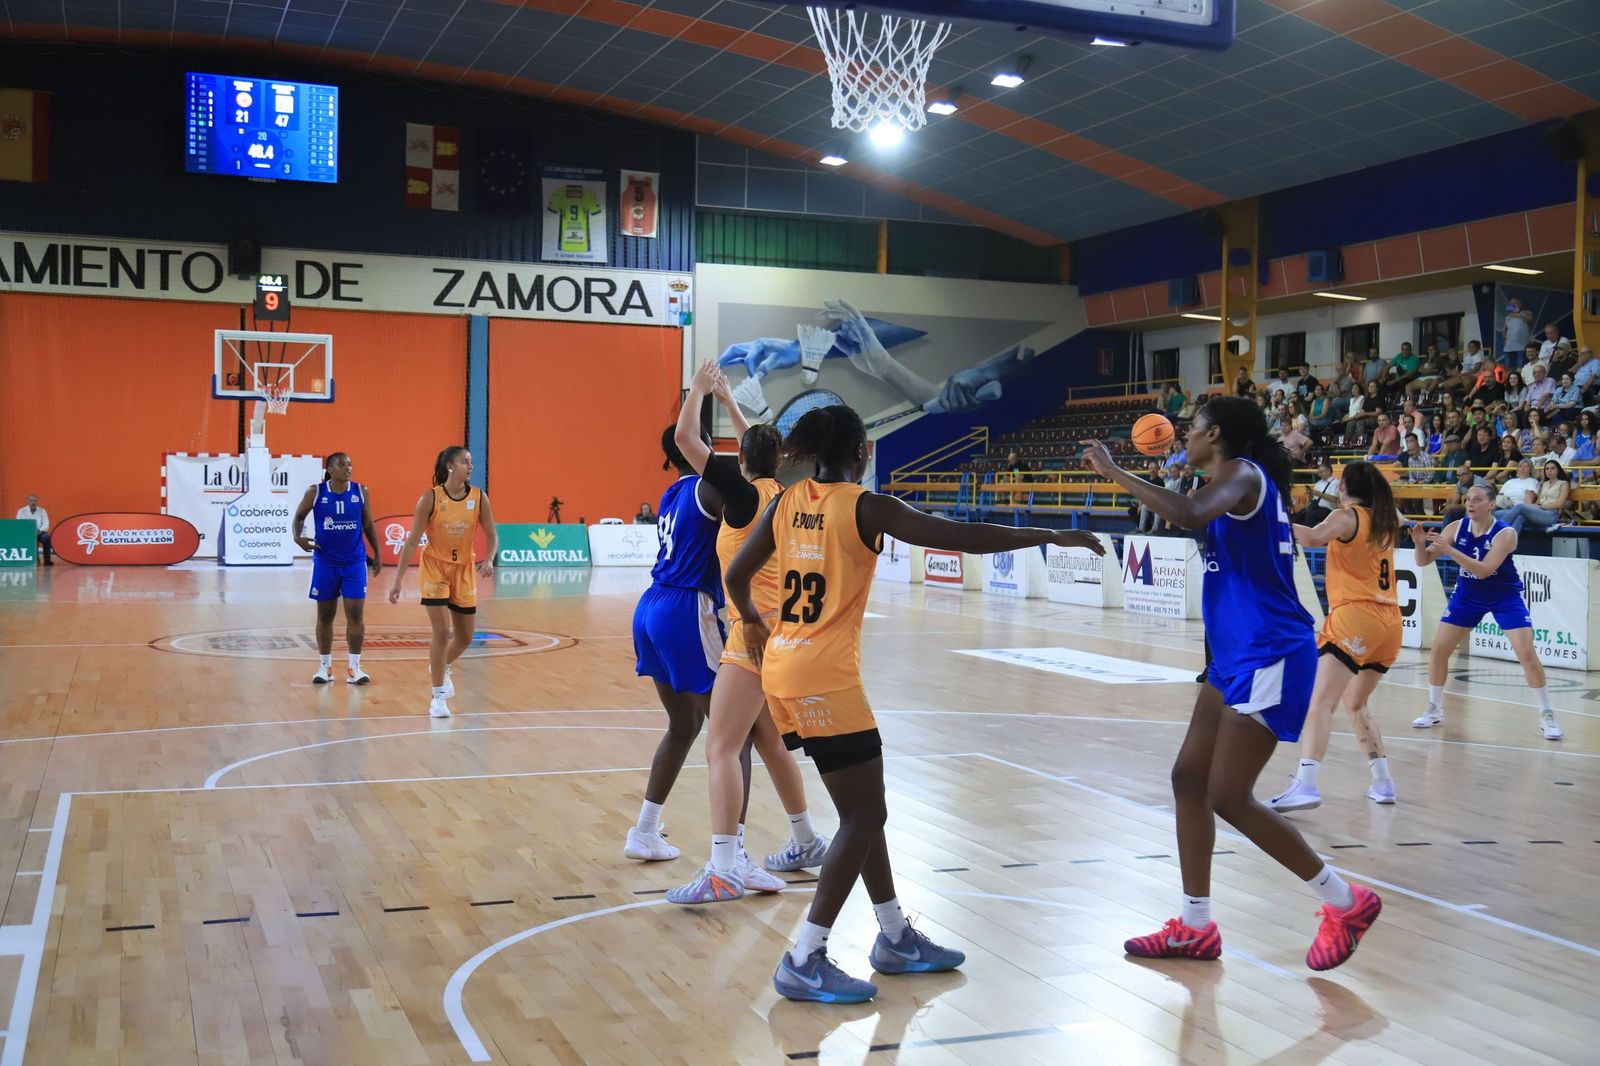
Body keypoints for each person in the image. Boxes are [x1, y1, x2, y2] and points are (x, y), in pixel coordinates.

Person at [727, 403, 1106, 1003]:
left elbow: (736, 576)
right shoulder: (867, 507)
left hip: (782, 669)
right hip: (826, 677)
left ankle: (896, 937)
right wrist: (1049, 534)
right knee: (863, 816)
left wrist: (751, 620)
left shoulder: (787, 500)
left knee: (863, 810)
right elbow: (964, 536)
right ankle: (804, 957)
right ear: (862, 452)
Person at [1081, 396, 1382, 972]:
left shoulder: (1242, 474)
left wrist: (1117, 473)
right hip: (1235, 655)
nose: (1185, 439)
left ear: (1215, 434)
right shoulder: (1234, 480)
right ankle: (1196, 927)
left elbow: (1189, 513)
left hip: (1270, 652)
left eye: (1192, 430)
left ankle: (1347, 902)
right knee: (1188, 779)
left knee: (1227, 795)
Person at [666, 363, 828, 903]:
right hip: (791, 634)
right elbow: (759, 449)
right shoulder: (783, 493)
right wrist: (731, 401)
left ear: (739, 460)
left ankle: (722, 870)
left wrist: (698, 391)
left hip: (753, 631)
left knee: (721, 747)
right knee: (771, 743)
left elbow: (685, 438)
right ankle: (805, 839)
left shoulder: (739, 495)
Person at [621, 412, 732, 862]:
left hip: (651, 604)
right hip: (686, 607)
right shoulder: (709, 489)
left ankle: (644, 831)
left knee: (684, 725)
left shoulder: (671, 493)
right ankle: (733, 853)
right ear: (702, 445)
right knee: (732, 733)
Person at [1270, 462, 1402, 810]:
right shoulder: (1387, 518)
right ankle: (1383, 782)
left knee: (1320, 701)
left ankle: (1306, 784)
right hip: (1390, 623)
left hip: (1356, 616)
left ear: (1343, 488)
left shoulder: (1347, 517)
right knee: (1355, 702)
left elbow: (1313, 537)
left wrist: (1274, 519)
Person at [1411, 485, 1563, 740]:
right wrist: (1418, 544)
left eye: (1477, 499)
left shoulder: (1506, 533)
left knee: (1526, 653)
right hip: (1467, 596)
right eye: (1468, 499)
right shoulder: (1455, 528)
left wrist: (1450, 550)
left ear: (1491, 505)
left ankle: (1547, 714)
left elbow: (1483, 570)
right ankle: (1434, 708)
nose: (1470, 503)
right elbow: (1423, 560)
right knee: (1438, 650)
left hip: (1504, 596)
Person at [387, 447, 498, 718]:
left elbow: (492, 535)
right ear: (450, 466)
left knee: (465, 637)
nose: (470, 466)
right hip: (435, 568)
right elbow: (411, 541)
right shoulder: (430, 498)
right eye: (465, 462)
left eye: (471, 462)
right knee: (441, 632)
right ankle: (437, 698)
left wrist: (489, 558)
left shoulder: (479, 497)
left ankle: (441, 664)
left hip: (464, 570)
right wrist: (398, 579)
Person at [292, 452, 382, 684]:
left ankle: (354, 668)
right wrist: (298, 538)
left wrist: (377, 553)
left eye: (350, 464)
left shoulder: (360, 491)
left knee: (356, 615)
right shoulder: (316, 492)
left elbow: (368, 524)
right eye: (342, 465)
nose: (348, 468)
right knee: (325, 616)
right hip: (325, 563)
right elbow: (299, 517)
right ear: (330, 469)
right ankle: (325, 668)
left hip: (354, 563)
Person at [1496, 458, 1569, 534]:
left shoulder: (1564, 484)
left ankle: (1497, 529)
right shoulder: (1545, 484)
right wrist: (1535, 506)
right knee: (1520, 518)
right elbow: (1538, 502)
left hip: (1552, 514)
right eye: (1547, 469)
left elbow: (1560, 504)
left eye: (1552, 468)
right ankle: (1509, 540)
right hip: (1540, 512)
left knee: (1520, 506)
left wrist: (1542, 506)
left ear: (1558, 470)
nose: (1549, 471)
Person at [1297, 462, 1339, 526]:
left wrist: (1318, 493)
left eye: (1321, 472)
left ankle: (1310, 532)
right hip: (1315, 506)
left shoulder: (1336, 483)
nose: (1319, 474)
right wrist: (1310, 494)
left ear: (1328, 471)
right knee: (1299, 515)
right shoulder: (1319, 483)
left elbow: (1334, 499)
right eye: (1318, 472)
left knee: (1311, 516)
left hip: (1327, 509)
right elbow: (1312, 499)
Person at [14, 495, 50, 565]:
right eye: (31, 501)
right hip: (26, 533)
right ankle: (35, 560)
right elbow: (19, 524)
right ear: (27, 501)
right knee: (32, 538)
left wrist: (39, 531)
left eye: (35, 501)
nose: (33, 503)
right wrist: (29, 532)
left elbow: (46, 524)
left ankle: (47, 561)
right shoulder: (21, 511)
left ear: (37, 502)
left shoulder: (42, 511)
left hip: (39, 532)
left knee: (46, 538)